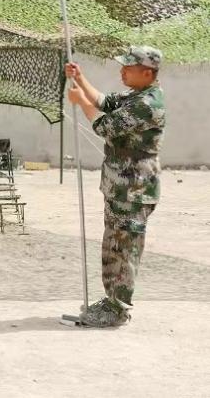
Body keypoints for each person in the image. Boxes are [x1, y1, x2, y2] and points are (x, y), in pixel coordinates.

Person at [66, 46, 167, 328]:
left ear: (147, 73)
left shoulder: (148, 104)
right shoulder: (134, 95)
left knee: (125, 250)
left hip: (135, 189)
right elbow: (105, 102)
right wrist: (80, 78)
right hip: (119, 187)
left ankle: (119, 309)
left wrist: (80, 100)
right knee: (113, 246)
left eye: (128, 68)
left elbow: (105, 126)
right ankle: (111, 301)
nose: (122, 71)